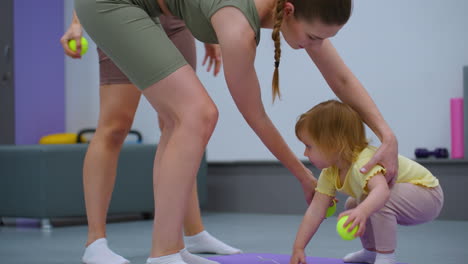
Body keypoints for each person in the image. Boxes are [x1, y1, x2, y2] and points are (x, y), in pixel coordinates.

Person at [74, 0, 400, 263]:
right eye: (314, 38)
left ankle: (174, 247)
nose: (316, 45)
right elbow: (255, 116)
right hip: (111, 4)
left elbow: (341, 79)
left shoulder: (290, 10)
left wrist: (387, 135)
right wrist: (302, 175)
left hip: (149, 10)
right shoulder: (237, 28)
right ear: (288, 11)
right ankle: (163, 255)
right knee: (197, 114)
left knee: (178, 120)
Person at [60, 11, 240, 264]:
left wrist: (206, 31)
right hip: (124, 15)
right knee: (115, 125)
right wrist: (78, 22)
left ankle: (192, 235)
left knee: (180, 123)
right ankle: (95, 242)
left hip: (176, 20)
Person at [290, 100, 444, 264]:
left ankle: (386, 256)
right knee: (353, 204)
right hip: (408, 196)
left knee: (374, 201)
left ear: (334, 143)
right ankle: (371, 252)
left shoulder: (363, 162)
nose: (305, 153)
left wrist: (363, 211)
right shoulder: (329, 173)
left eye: (309, 146)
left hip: (428, 195)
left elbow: (381, 191)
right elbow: (315, 211)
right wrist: (298, 248)